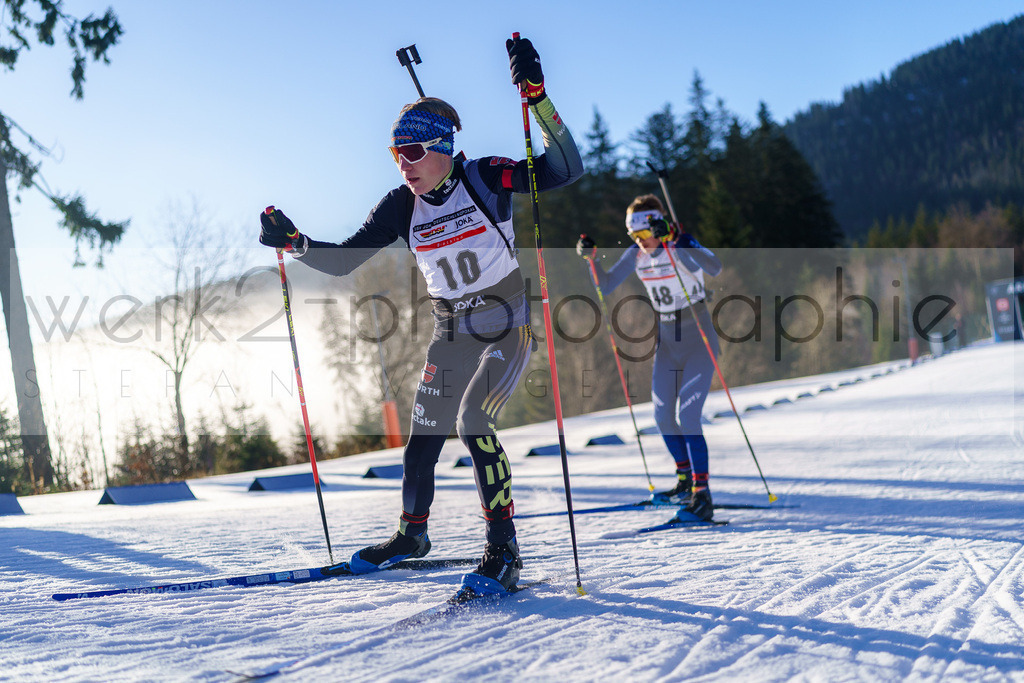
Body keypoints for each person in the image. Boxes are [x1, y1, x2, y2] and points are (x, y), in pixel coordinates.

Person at [259, 36, 582, 594]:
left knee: (473, 423)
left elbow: (564, 169)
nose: (402, 165)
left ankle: (503, 550)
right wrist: (296, 241)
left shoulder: (485, 177)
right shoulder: (399, 205)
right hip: (452, 328)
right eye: (394, 154)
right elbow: (345, 260)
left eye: (411, 153)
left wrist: (538, 99)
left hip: (507, 321)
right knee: (424, 435)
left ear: (443, 148)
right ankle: (413, 535)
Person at [576, 195, 722, 520]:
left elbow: (714, 266)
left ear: (658, 227)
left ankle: (703, 493)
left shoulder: (679, 245)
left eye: (643, 235)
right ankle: (685, 480)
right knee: (662, 416)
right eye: (633, 237)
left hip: (698, 338)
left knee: (690, 416)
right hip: (668, 341)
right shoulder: (637, 255)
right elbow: (606, 285)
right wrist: (592, 260)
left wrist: (678, 238)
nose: (639, 243)